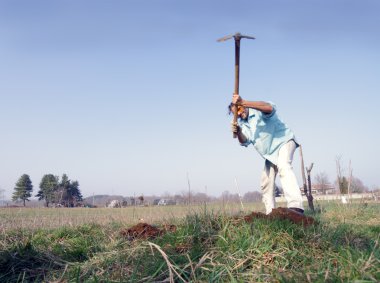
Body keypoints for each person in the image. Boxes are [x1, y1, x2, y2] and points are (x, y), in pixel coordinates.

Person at [230, 93, 304, 215]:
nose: (238, 113)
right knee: (266, 182)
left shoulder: (257, 110)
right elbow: (245, 141)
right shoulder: (243, 124)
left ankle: (296, 207)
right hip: (270, 154)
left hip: (283, 142)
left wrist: (243, 102)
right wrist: (238, 132)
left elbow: (269, 108)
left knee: (284, 166)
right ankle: (271, 213)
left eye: (239, 109)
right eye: (235, 114)